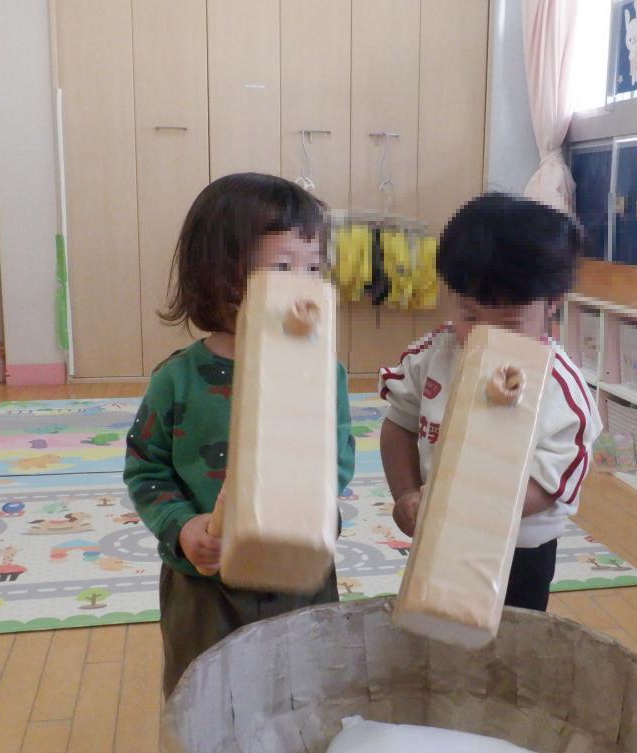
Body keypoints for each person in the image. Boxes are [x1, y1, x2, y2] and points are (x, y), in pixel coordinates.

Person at [124, 173, 355, 698]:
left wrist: (306, 502)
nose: (303, 284)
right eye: (283, 267)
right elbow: (146, 469)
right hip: (205, 581)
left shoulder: (325, 373)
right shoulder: (177, 379)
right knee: (204, 693)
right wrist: (183, 527)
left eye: (313, 267)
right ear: (223, 274)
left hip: (299, 571)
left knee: (305, 689)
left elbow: (340, 457)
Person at [379, 192, 600, 613]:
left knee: (509, 640)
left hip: (519, 550)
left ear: (552, 303)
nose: (487, 337)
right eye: (470, 316)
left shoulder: (559, 388)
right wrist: (407, 494)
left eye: (510, 324)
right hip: (436, 536)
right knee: (428, 620)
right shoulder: (434, 354)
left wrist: (465, 512)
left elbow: (550, 484)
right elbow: (399, 426)